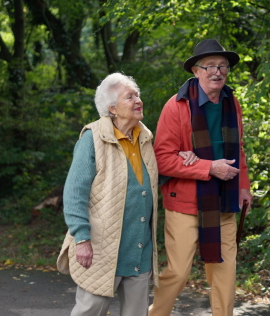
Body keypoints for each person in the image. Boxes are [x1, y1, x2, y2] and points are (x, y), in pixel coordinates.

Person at [56, 72, 198, 316]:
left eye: (138, 95)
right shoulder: (92, 138)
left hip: (139, 247)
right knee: (91, 310)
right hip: (101, 247)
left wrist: (179, 159)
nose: (137, 100)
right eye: (129, 96)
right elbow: (74, 193)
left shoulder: (143, 137)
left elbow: (150, 179)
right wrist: (81, 239)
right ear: (112, 108)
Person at [149, 39, 253, 316]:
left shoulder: (233, 103)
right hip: (184, 204)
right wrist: (208, 168)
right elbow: (162, 159)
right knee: (178, 272)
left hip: (225, 202)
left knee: (225, 274)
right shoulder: (176, 106)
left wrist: (244, 187)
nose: (217, 72)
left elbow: (238, 150)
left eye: (222, 66)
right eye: (209, 66)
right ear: (195, 71)